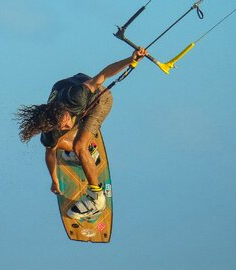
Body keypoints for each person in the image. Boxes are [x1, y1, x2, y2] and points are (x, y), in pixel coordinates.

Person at [16, 48, 148, 219]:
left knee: (79, 146)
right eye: (63, 127)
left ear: (65, 111)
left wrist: (130, 59)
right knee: (57, 144)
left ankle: (97, 199)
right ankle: (86, 153)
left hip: (99, 98)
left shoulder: (75, 98)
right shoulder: (51, 128)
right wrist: (54, 179)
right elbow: (50, 153)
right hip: (69, 85)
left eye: (67, 121)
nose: (68, 125)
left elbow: (104, 75)